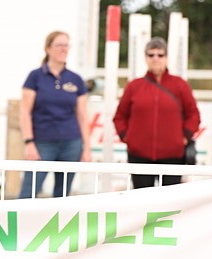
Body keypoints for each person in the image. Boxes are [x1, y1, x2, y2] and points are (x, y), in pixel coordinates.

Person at [113, 37, 200, 188]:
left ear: (166, 58)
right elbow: (119, 116)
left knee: (171, 205)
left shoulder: (180, 85)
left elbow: (193, 114)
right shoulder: (134, 86)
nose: (155, 58)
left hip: (173, 156)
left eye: (160, 55)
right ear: (145, 57)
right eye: (151, 54)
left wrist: (184, 137)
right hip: (139, 156)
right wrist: (128, 138)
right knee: (142, 202)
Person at [18, 31, 92, 198]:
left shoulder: (76, 80)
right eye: (59, 45)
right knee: (28, 191)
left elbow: (82, 116)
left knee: (62, 195)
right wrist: (28, 142)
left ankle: (57, 225)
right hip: (42, 142)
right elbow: (25, 112)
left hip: (71, 143)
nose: (63, 49)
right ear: (48, 48)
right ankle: (20, 223)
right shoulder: (35, 77)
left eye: (66, 45)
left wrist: (86, 148)